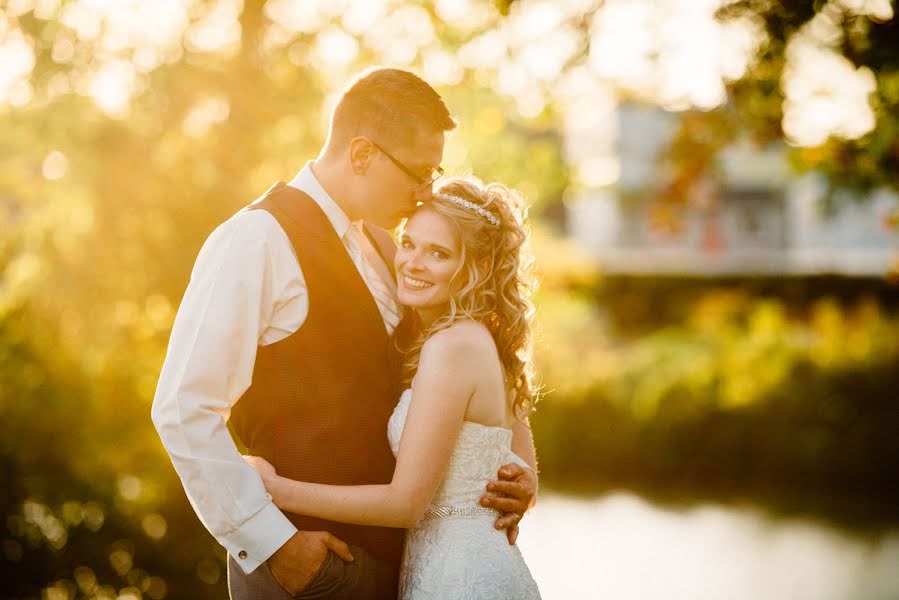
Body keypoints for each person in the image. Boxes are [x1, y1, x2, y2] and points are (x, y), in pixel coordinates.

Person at [151, 67, 538, 600]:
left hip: (402, 568)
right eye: (419, 174)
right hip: (304, 566)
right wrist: (271, 543)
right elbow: (182, 408)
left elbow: (482, 356)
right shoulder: (255, 240)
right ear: (362, 156)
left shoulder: (390, 250)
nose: (427, 191)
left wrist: (517, 470)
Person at [245, 176, 541, 599]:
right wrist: (523, 487)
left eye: (438, 253)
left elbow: (406, 504)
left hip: (457, 578)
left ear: (478, 268)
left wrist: (274, 490)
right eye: (409, 243)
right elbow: (523, 473)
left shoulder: (451, 346)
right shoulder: (483, 339)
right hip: (469, 565)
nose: (413, 263)